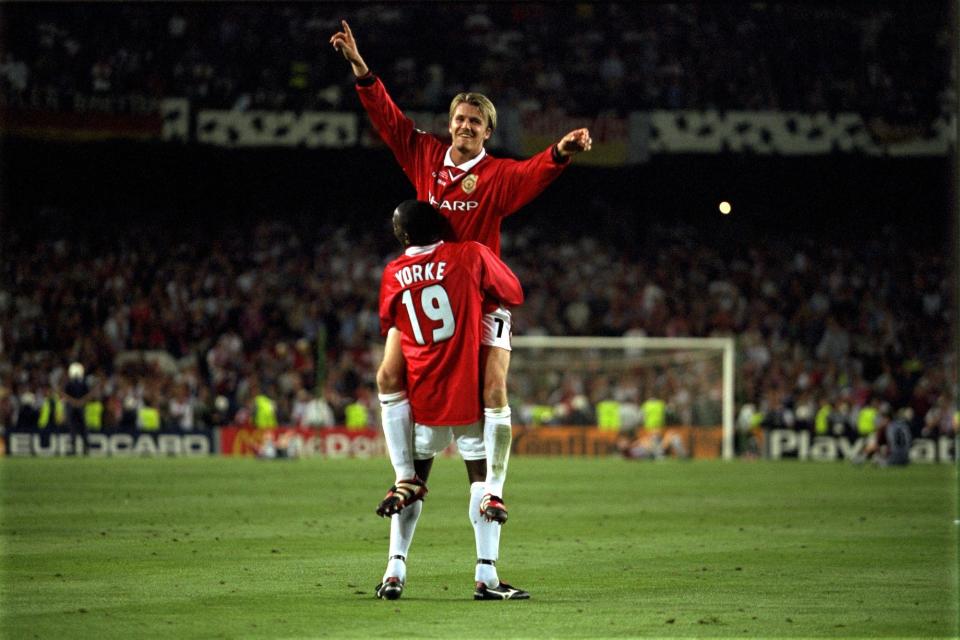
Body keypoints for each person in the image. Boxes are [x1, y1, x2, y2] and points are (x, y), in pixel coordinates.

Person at [330, 20, 592, 524]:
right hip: (425, 294)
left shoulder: (495, 177)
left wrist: (559, 152)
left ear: (488, 132)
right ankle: (406, 479)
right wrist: (361, 67)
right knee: (387, 374)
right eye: (460, 118)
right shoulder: (425, 154)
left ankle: (490, 494)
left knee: (489, 395)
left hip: (475, 303)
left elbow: (530, 173)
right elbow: (389, 122)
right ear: (450, 123)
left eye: (476, 121)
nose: (466, 126)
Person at [374, 199, 528, 601]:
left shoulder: (392, 274)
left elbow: (394, 335)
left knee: (414, 481)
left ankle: (394, 571)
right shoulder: (468, 254)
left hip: (422, 403)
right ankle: (487, 576)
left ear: (403, 237)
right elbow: (513, 291)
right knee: (481, 481)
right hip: (468, 400)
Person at [62, 362, 93, 455]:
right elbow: (88, 395)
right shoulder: (81, 383)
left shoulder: (76, 383)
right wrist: (78, 402)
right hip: (78, 406)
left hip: (76, 407)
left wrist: (76, 402)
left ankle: (83, 448)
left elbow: (65, 395)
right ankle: (81, 448)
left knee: (78, 427)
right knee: (77, 428)